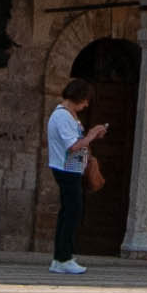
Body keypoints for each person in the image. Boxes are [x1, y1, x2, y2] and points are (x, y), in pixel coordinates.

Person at [42, 75, 105, 275]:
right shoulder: (62, 117)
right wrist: (92, 134)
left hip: (72, 169)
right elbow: (73, 146)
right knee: (72, 212)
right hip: (66, 170)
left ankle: (62, 256)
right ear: (78, 97)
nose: (86, 105)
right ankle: (63, 258)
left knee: (69, 212)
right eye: (85, 100)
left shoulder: (69, 116)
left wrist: (91, 135)